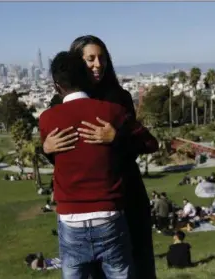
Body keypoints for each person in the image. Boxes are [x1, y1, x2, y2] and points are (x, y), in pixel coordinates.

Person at [42, 35, 158, 279]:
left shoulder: (118, 98)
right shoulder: (58, 105)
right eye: (90, 59)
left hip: (125, 195)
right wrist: (46, 149)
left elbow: (145, 143)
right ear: (77, 64)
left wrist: (117, 138)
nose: (98, 64)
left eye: (102, 58)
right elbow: (60, 156)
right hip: (84, 208)